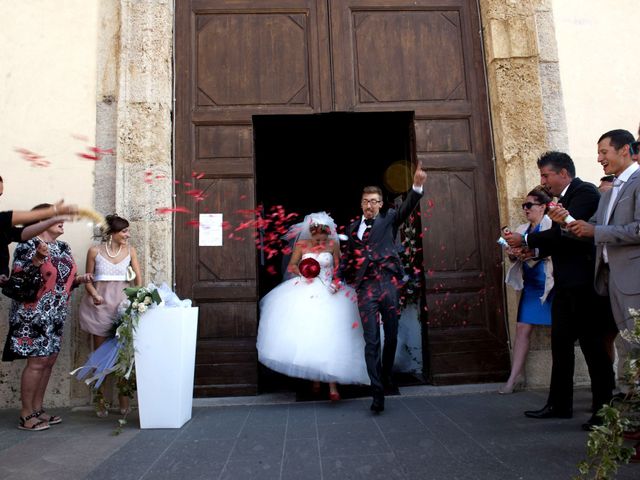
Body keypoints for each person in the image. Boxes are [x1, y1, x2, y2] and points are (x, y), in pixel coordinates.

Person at [505, 151, 614, 430]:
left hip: (585, 287)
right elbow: (555, 240)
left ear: (563, 173)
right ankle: (559, 404)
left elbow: (572, 234)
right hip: (566, 286)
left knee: (593, 349)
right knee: (560, 345)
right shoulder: (562, 199)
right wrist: (529, 248)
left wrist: (527, 237)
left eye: (546, 175)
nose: (543, 181)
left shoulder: (585, 193)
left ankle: (604, 411)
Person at [338, 160, 427, 413]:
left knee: (390, 335)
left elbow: (407, 207)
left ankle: (387, 375)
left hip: (388, 285)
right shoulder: (352, 228)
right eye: (366, 201)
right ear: (361, 204)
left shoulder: (389, 218)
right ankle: (377, 392)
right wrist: (338, 278)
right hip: (365, 288)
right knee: (371, 341)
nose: (370, 205)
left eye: (374, 201)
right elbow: (347, 258)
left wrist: (417, 186)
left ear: (380, 204)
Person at [257, 212, 370, 400]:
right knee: (311, 335)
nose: (320, 242)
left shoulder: (333, 245)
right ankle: (316, 378)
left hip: (329, 291)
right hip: (306, 289)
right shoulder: (302, 245)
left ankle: (333, 386)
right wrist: (304, 270)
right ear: (310, 234)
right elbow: (292, 266)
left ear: (328, 234)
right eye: (317, 238)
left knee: (331, 335)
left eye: (323, 238)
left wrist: (337, 282)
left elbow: (339, 267)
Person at [2, 204, 92, 431]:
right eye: (55, 218)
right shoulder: (27, 246)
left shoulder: (63, 246)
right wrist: (37, 261)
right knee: (37, 362)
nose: (62, 222)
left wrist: (80, 280)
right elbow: (18, 281)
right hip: (32, 315)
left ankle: (38, 409)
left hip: (56, 313)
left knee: (48, 361)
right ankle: (26, 414)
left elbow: (61, 282)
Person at [565, 129, 640, 389]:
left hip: (634, 279)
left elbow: (638, 229)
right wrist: (567, 222)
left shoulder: (638, 182)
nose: (599, 158)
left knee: (636, 346)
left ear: (624, 151)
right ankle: (627, 406)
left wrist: (596, 231)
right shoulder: (609, 191)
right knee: (626, 345)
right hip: (610, 280)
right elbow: (593, 228)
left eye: (603, 152)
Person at [78, 214, 142, 416]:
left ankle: (124, 401)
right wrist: (94, 294)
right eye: (124, 231)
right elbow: (88, 279)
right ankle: (101, 401)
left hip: (121, 307)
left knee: (124, 356)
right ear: (111, 233)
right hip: (100, 307)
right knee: (101, 357)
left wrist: (134, 299)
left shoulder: (130, 251)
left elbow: (138, 279)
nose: (127, 234)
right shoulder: (94, 251)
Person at [500, 186, 554, 394]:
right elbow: (514, 257)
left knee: (560, 332)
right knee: (522, 329)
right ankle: (513, 379)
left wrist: (532, 252)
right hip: (531, 286)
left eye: (529, 205)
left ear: (542, 207)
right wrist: (513, 253)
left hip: (550, 284)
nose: (525, 209)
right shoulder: (522, 229)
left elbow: (555, 250)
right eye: (524, 205)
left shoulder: (550, 225)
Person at [0, 175, 78, 282]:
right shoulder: (28, 244)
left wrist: (2, 273)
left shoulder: (63, 246)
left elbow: (20, 234)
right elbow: (6, 218)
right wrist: (51, 212)